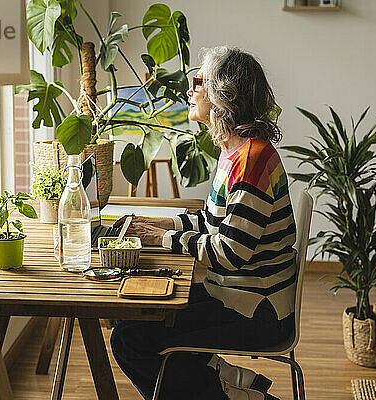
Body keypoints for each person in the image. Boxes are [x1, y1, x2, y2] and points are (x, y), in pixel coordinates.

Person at [111, 46, 297, 400]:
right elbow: (213, 221)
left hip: (257, 311)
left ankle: (232, 394)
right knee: (133, 317)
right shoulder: (238, 151)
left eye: (199, 81)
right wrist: (163, 223)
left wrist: (162, 238)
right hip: (240, 294)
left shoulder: (251, 162)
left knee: (130, 338)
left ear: (223, 96)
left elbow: (229, 252)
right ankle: (224, 377)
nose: (190, 89)